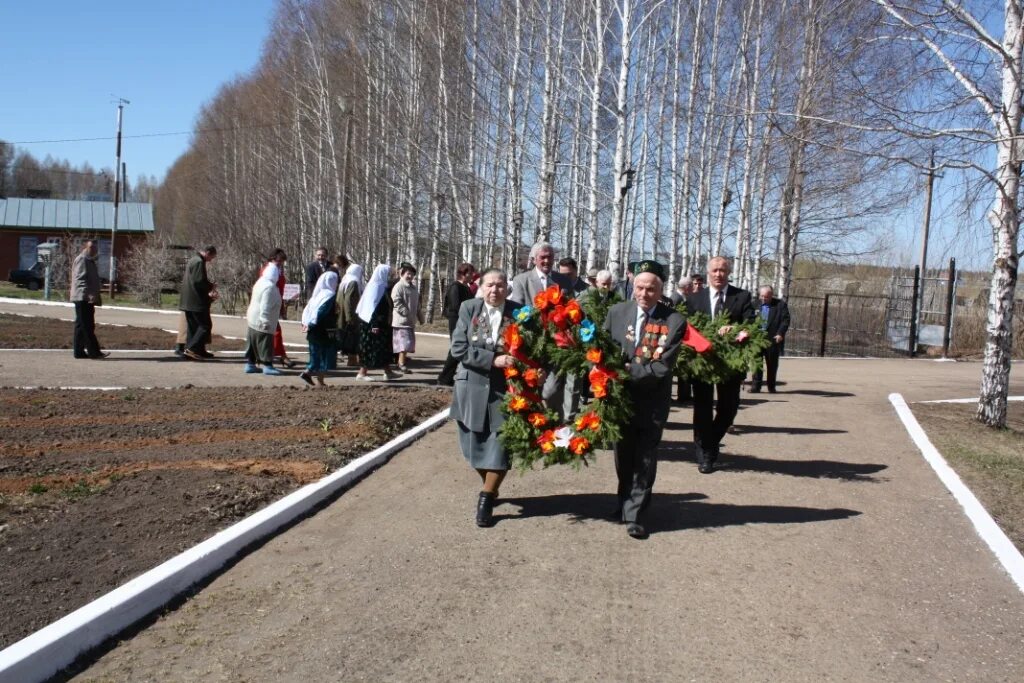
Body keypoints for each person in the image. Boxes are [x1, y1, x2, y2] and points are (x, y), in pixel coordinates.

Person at [604, 260, 685, 539]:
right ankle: (624, 501)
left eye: (650, 289)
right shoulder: (616, 312)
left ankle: (636, 514)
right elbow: (601, 349)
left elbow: (663, 366)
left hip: (652, 400)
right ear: (632, 285)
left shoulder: (673, 320)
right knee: (623, 454)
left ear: (660, 291)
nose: (644, 294)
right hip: (619, 399)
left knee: (645, 457)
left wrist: (627, 371)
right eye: (639, 287)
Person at [449, 268, 518, 528]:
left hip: (505, 390)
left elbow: (532, 349)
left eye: (500, 285)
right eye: (490, 285)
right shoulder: (470, 308)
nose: (495, 290)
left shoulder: (519, 312)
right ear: (481, 287)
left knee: (500, 446)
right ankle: (490, 484)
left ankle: (486, 498)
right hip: (471, 387)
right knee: (473, 446)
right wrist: (492, 360)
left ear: (507, 288)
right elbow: (458, 347)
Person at [685, 255, 755, 473]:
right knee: (702, 408)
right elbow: (687, 328)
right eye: (714, 270)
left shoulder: (741, 297)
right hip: (702, 362)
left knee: (729, 407)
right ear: (708, 272)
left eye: (722, 270)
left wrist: (735, 330)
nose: (718, 274)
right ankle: (704, 455)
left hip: (730, 363)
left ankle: (710, 442)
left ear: (728, 273)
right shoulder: (695, 299)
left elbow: (751, 324)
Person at [355, 264, 401, 381]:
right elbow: (372, 308)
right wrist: (374, 325)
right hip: (372, 324)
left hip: (381, 324)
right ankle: (362, 373)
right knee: (370, 348)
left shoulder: (381, 286)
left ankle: (388, 372)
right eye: (389, 274)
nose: (390, 276)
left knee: (383, 349)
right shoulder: (375, 287)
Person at [437, 262, 476, 386]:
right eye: (470, 273)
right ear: (464, 273)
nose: (472, 275)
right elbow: (455, 306)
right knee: (456, 348)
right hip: (456, 320)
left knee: (459, 348)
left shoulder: (466, 287)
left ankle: (447, 377)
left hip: (465, 320)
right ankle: (444, 378)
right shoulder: (455, 286)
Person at [300, 270, 339, 387]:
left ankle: (310, 374)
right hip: (323, 329)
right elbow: (322, 312)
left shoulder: (317, 295)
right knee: (324, 356)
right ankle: (317, 379)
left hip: (313, 330)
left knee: (315, 353)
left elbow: (308, 310)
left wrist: (307, 324)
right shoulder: (330, 295)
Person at [70, 240, 107, 359]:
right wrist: (88, 295)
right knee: (87, 326)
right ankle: (94, 352)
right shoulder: (82, 259)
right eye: (91, 247)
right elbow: (80, 280)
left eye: (95, 248)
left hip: (86, 297)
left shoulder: (90, 261)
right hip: (83, 297)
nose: (94, 250)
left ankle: (78, 352)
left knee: (81, 325)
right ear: (85, 247)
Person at [179, 246, 218, 361]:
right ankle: (191, 349)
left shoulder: (193, 259)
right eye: (211, 257)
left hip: (188, 300)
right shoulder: (199, 262)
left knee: (194, 327)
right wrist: (211, 287)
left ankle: (198, 350)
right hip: (196, 301)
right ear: (207, 252)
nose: (211, 260)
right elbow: (198, 281)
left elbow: (196, 279)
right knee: (205, 325)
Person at [244, 262, 283, 376]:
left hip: (253, 318)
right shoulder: (270, 287)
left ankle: (250, 364)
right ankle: (267, 366)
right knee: (265, 343)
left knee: (253, 342)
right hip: (262, 320)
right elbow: (265, 305)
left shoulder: (260, 281)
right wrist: (265, 320)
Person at [750, 284, 791, 393]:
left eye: (766, 297)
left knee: (772, 364)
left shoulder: (780, 305)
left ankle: (771, 386)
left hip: (772, 338)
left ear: (771, 295)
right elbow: (748, 319)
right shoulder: (754, 304)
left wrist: (780, 333)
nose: (763, 299)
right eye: (762, 296)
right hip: (756, 339)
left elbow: (785, 320)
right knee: (756, 363)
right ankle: (756, 386)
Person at [261, 249, 297, 369]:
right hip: (268, 305)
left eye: (282, 261)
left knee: (272, 332)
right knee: (274, 332)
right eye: (279, 261)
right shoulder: (268, 270)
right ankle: (280, 357)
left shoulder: (278, 270)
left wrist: (281, 306)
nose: (281, 263)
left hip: (276, 303)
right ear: (272, 259)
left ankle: (276, 356)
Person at [509, 242, 573, 305]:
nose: (547, 261)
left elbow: (571, 305)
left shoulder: (564, 280)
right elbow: (516, 307)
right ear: (534, 260)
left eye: (549, 257)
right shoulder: (521, 280)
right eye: (543, 257)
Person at [391, 262, 424, 372]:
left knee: (407, 344)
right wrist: (405, 312)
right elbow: (396, 301)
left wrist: (420, 317)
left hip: (410, 321)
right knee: (404, 344)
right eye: (408, 273)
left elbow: (417, 305)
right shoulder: (399, 286)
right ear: (402, 273)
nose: (410, 276)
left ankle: (400, 363)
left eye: (412, 274)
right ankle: (401, 364)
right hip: (401, 321)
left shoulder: (413, 288)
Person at [336, 261, 364, 366]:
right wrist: (349, 317)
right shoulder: (354, 282)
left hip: (341, 313)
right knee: (353, 337)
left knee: (347, 336)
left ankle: (351, 359)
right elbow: (349, 300)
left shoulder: (345, 280)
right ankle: (352, 360)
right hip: (350, 314)